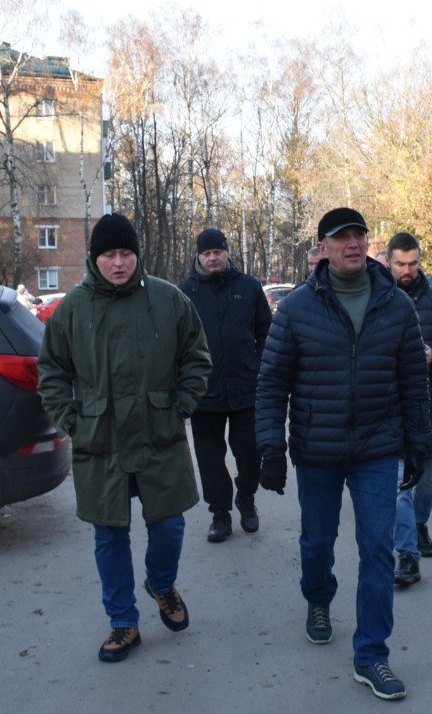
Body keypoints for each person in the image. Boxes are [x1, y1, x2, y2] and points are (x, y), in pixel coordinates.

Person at [255, 207, 431, 701]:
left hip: (378, 446)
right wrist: (270, 445)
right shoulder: (296, 309)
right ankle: (318, 597)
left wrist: (417, 441)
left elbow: (413, 383)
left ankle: (371, 654)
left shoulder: (396, 305)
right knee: (317, 541)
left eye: (359, 235)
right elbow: (272, 382)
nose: (353, 244)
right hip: (318, 448)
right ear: (323, 248)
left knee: (377, 547)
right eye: (341, 237)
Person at [37, 213, 211, 663]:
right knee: (109, 536)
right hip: (102, 442)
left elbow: (196, 357)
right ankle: (123, 623)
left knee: (170, 525)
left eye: (126, 254)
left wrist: (182, 407)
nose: (119, 263)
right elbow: (52, 371)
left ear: (138, 255)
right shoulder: (73, 308)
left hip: (159, 436)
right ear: (95, 259)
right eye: (109, 255)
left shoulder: (167, 299)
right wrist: (72, 419)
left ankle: (160, 581)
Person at [179, 228, 272, 543]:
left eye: (217, 251)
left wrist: (258, 364)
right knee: (209, 457)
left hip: (246, 386)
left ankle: (246, 497)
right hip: (204, 392)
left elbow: (265, 331)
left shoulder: (248, 287)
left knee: (249, 450)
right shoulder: (185, 293)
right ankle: (219, 513)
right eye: (206, 254)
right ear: (198, 257)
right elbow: (177, 342)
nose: (212, 258)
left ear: (227, 251)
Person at [385, 231, 432, 587]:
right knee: (401, 485)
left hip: (429, 406)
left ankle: (418, 525)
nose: (408, 270)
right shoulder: (378, 297)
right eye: (401, 263)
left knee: (428, 480)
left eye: (413, 263)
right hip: (388, 405)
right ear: (389, 261)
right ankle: (407, 555)